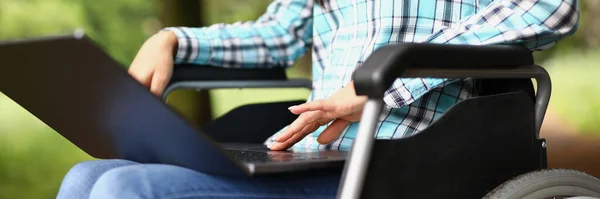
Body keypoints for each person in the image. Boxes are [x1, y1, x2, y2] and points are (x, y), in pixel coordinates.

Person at [56, 0, 579, 198]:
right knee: (85, 177)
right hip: (316, 153)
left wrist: (379, 84)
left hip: (403, 156)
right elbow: (280, 33)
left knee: (126, 189)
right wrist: (175, 39)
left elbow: (550, 8)